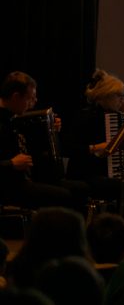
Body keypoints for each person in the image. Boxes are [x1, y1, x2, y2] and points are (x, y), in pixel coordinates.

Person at [64, 69, 124, 243]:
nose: (121, 100)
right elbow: (69, 148)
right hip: (86, 173)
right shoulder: (84, 117)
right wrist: (95, 148)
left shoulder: (118, 118)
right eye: (118, 96)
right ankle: (122, 238)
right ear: (104, 96)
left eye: (122, 95)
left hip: (108, 173)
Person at [0, 71, 87, 213]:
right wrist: (11, 164)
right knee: (64, 196)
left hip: (28, 179)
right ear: (16, 97)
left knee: (80, 189)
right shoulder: (4, 122)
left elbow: (33, 148)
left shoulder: (17, 118)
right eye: (30, 98)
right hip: (8, 185)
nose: (33, 103)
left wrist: (52, 129)